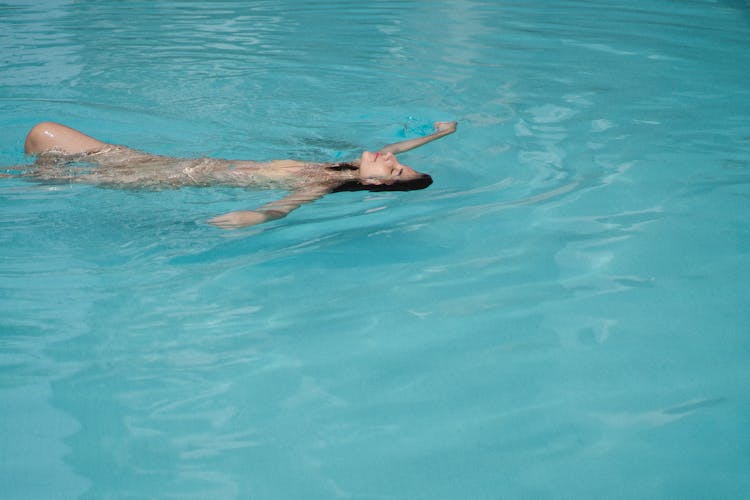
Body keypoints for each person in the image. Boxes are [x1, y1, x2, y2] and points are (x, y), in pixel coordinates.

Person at [17, 120, 457, 228]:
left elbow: (285, 207)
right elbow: (394, 147)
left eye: (394, 169)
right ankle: (43, 175)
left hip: (168, 178)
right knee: (44, 133)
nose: (388, 157)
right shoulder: (338, 165)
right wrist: (438, 134)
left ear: (376, 182)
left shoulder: (323, 181)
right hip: (162, 160)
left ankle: (37, 180)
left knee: (24, 174)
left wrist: (253, 217)